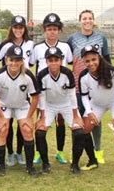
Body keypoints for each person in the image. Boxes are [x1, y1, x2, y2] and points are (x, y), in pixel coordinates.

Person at [67, 9, 111, 164]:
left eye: (90, 18)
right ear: (80, 20)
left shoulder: (101, 37)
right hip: (79, 86)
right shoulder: (72, 39)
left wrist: (108, 82)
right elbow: (68, 61)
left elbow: (107, 60)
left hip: (97, 86)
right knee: (78, 121)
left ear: (93, 20)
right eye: (84, 18)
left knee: (95, 119)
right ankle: (75, 152)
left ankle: (98, 150)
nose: (87, 21)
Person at [30, 13, 73, 165]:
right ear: (44, 30)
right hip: (43, 91)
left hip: (61, 91)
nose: (52, 31)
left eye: (55, 28)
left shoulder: (66, 47)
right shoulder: (37, 48)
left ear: (59, 30)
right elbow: (31, 67)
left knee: (60, 121)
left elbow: (69, 65)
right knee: (40, 120)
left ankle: (60, 152)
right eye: (49, 28)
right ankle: (38, 152)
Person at [78, 45, 114, 176]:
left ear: (99, 58)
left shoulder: (111, 71)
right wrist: (89, 111)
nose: (91, 63)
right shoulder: (83, 76)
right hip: (97, 103)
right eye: (87, 61)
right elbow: (83, 95)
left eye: (94, 59)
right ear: (83, 61)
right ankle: (92, 161)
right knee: (84, 129)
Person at [0, 45, 39, 176]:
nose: (14, 63)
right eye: (11, 60)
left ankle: (30, 166)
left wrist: (29, 117)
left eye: (17, 60)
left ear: (22, 61)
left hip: (22, 105)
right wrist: (0, 117)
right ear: (6, 60)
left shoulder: (28, 75)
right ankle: (1, 166)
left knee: (27, 130)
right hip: (4, 106)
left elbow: (35, 97)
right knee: (2, 130)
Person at [35, 46, 84, 175]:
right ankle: (45, 164)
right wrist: (43, 116)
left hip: (67, 105)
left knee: (78, 132)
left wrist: (76, 115)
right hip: (49, 105)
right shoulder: (42, 75)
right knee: (40, 132)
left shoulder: (67, 73)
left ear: (61, 61)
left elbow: (72, 95)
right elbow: (42, 97)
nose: (53, 63)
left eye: (56, 59)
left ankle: (75, 165)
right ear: (46, 62)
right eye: (50, 60)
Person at [0, 15, 34, 166]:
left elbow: (31, 64)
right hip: (8, 87)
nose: (18, 30)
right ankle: (10, 153)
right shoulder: (5, 45)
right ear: (11, 28)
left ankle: (19, 152)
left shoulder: (30, 44)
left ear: (24, 28)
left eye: (21, 27)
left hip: (24, 86)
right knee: (7, 123)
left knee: (22, 124)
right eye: (15, 27)